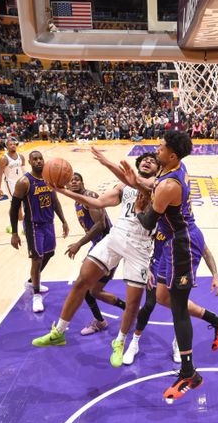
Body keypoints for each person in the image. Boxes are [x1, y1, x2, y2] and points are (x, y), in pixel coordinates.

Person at [129, 131, 218, 403]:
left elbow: (148, 222)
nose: (157, 148)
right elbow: (152, 184)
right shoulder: (175, 168)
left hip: (181, 246)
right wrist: (132, 179)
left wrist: (137, 205)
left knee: (177, 308)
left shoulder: (168, 186)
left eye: (162, 147)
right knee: (163, 297)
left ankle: (189, 372)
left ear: (172, 155)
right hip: (172, 242)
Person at [31, 151, 159, 370]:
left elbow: (142, 185)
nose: (147, 161)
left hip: (140, 246)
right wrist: (62, 191)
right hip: (116, 237)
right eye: (144, 159)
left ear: (159, 168)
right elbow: (97, 202)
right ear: (138, 164)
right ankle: (59, 332)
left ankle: (119, 342)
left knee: (133, 302)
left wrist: (108, 162)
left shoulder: (157, 185)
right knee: (82, 281)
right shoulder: (123, 187)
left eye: (153, 160)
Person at [64, 171, 127, 335]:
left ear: (82, 182)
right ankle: (126, 309)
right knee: (93, 291)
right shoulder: (78, 201)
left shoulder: (89, 196)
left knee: (86, 287)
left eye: (77, 179)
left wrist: (78, 244)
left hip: (108, 247)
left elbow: (99, 224)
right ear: (66, 186)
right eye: (71, 181)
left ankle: (103, 320)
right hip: (100, 246)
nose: (74, 182)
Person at [9, 151, 69, 313]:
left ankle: (31, 281)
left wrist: (63, 221)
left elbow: (55, 201)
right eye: (34, 159)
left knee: (49, 253)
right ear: (29, 162)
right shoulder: (24, 182)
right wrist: (14, 233)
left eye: (40, 158)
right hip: (33, 226)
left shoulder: (49, 178)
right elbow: (14, 209)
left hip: (49, 223)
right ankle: (36, 295)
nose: (38, 161)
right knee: (37, 258)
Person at [0, 139, 25, 234]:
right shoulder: (4, 159)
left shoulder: (21, 157)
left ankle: (10, 224)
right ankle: (23, 227)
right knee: (18, 205)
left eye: (14, 144)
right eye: (10, 144)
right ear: (7, 147)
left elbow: (24, 171)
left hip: (21, 182)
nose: (13, 146)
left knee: (14, 206)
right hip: (10, 183)